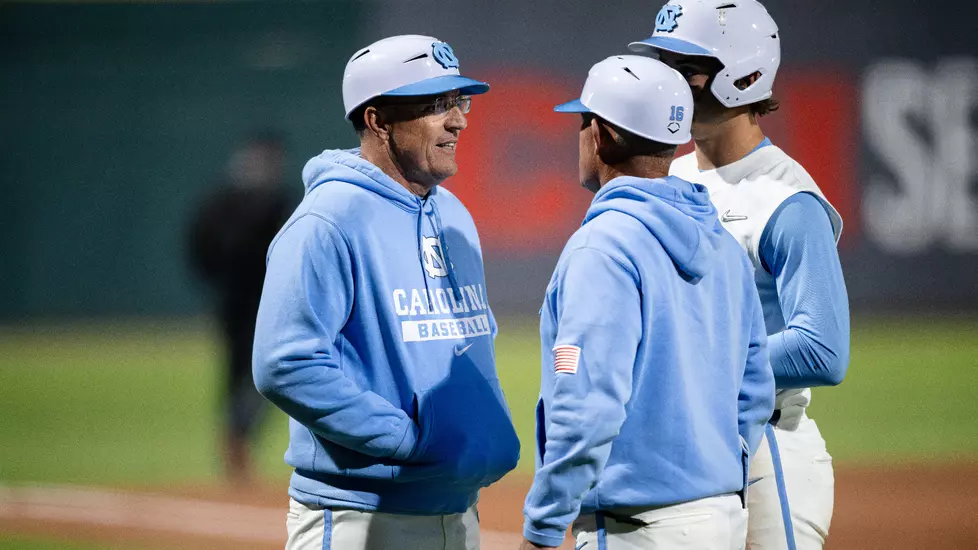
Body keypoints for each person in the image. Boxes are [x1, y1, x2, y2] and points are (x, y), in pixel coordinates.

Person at [252, 34, 520, 550]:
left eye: (458, 101)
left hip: (458, 513)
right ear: (378, 121)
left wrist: (487, 435)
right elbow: (285, 363)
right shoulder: (327, 221)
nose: (459, 120)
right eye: (436, 104)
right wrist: (407, 441)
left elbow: (469, 345)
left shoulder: (455, 216)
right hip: (361, 518)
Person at [520, 55, 775, 550]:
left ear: (601, 135)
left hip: (639, 529)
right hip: (721, 516)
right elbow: (756, 385)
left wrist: (545, 526)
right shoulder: (720, 240)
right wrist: (716, 471)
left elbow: (587, 407)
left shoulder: (603, 249)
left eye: (582, 121)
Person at [630, 2, 851, 548]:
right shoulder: (668, 177)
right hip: (688, 447)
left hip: (768, 452)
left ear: (742, 76)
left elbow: (824, 349)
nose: (668, 83)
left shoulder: (785, 199)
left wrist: (694, 364)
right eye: (662, 64)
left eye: (685, 68)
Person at [187, 130, 294, 484]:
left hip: (241, 301)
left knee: (249, 375)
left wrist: (217, 280)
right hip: (257, 303)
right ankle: (237, 439)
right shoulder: (272, 201)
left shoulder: (223, 200)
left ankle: (236, 439)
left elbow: (200, 246)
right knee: (260, 376)